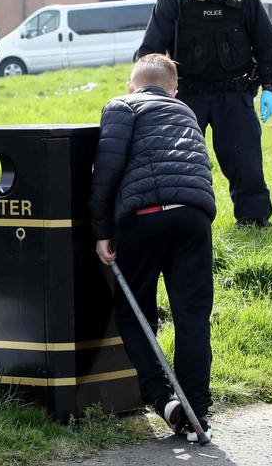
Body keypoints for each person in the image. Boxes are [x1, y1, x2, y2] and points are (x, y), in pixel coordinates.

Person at [89, 53, 216, 442]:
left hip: (145, 216)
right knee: (192, 316)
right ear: (173, 89)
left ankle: (162, 399)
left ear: (132, 84)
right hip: (194, 217)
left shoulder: (122, 106)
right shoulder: (186, 112)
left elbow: (106, 173)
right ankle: (197, 409)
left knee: (133, 313)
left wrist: (101, 230)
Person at [136, 0, 272, 228]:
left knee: (244, 159)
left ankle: (253, 219)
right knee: (181, 161)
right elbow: (149, 52)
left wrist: (269, 86)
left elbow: (266, 43)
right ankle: (183, 218)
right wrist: (148, 93)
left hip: (234, 92)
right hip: (187, 96)